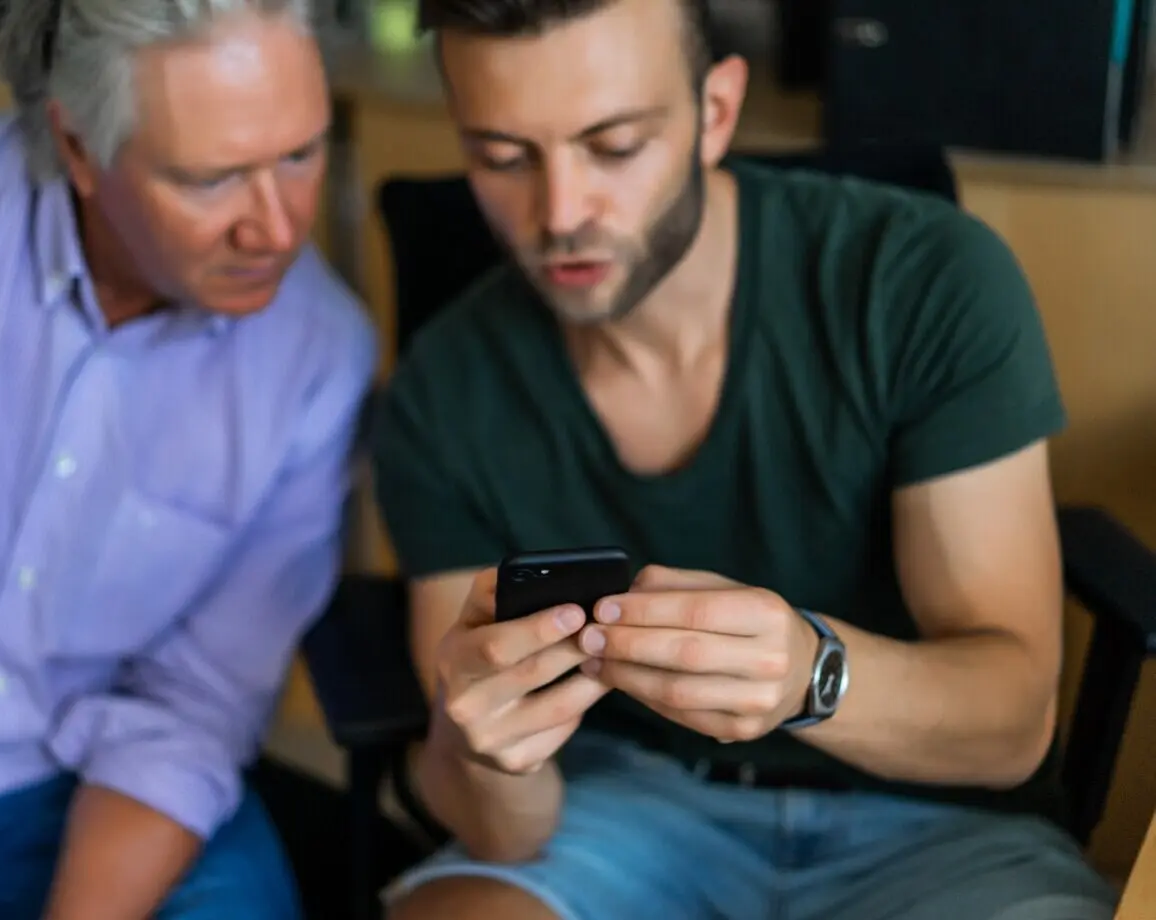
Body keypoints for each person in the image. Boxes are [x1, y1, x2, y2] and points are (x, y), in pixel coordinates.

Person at [370, 0, 1119, 917]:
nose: (560, 213)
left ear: (715, 112)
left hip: (938, 827)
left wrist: (813, 676)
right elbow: (506, 833)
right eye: (501, 155)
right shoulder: (438, 392)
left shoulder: (922, 279)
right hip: (618, 807)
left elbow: (1011, 728)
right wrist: (482, 748)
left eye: (613, 146)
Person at [0, 0, 374, 917]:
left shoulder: (320, 354)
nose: (278, 229)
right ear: (81, 147)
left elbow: (194, 707)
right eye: (211, 180)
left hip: (78, 782)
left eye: (299, 155)